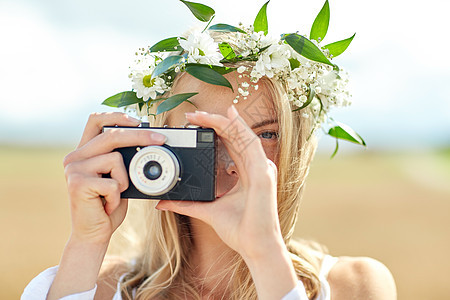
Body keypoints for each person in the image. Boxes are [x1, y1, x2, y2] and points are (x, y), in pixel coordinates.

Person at [22, 2, 397, 299]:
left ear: (300, 152)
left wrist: (264, 254)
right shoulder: (96, 286)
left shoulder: (355, 286)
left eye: (264, 136)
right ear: (154, 145)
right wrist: (86, 244)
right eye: (204, 134)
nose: (235, 159)